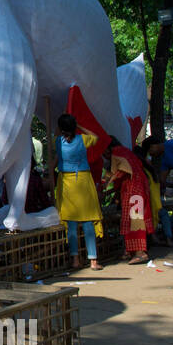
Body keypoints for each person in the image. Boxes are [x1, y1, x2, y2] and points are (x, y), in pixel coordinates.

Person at [55, 114, 102, 271]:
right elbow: (96, 137)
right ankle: (93, 261)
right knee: (88, 221)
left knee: (72, 223)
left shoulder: (58, 142)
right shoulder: (82, 139)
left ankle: (75, 260)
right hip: (83, 181)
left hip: (67, 183)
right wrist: (80, 126)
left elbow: (59, 134)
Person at [102, 138, 153, 264]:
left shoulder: (117, 152)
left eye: (105, 153)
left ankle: (140, 252)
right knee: (130, 220)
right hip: (135, 189)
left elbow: (117, 173)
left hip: (134, 190)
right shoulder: (125, 152)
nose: (106, 157)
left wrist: (105, 186)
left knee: (135, 221)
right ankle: (130, 251)